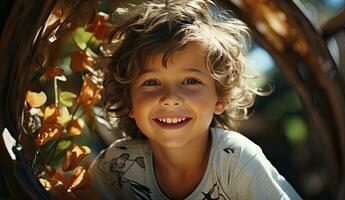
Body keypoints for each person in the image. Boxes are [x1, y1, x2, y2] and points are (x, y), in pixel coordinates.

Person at [88, 0, 302, 199]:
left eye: (190, 80)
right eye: (151, 83)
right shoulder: (116, 168)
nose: (170, 99)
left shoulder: (236, 161)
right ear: (128, 102)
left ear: (220, 98)